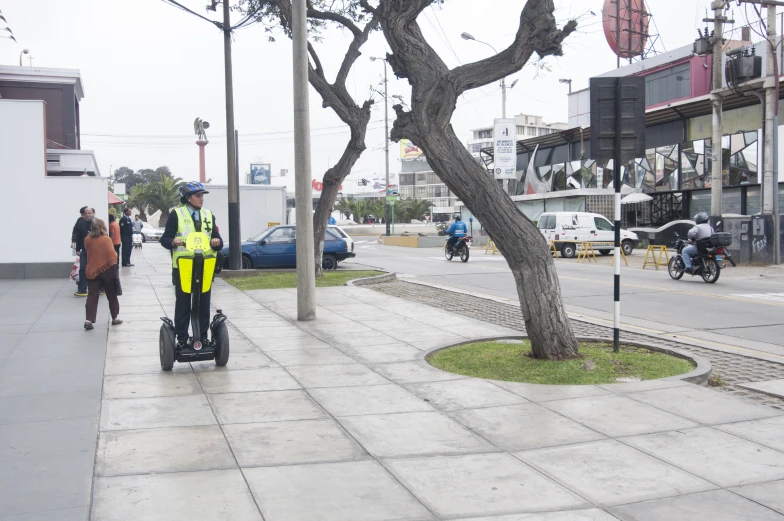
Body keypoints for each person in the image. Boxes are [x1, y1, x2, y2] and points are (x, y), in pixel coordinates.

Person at [160, 181, 223, 348]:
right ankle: (182, 337)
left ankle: (203, 337)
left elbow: (217, 238)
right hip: (183, 266)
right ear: (188, 198)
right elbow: (165, 239)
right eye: (198, 196)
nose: (201, 199)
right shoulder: (176, 214)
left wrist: (217, 241)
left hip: (205, 266)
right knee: (183, 302)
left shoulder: (209, 215)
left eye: (202, 196)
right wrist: (174, 242)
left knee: (204, 302)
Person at [83, 218, 122, 330]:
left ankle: (88, 320)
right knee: (111, 294)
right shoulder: (106, 239)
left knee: (92, 296)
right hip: (108, 270)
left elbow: (88, 252)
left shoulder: (87, 240)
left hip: (92, 270)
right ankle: (114, 318)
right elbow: (113, 255)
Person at [71, 207, 94, 297]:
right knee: (83, 268)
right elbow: (77, 234)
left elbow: (104, 235)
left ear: (93, 213)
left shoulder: (97, 223)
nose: (87, 215)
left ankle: (101, 288)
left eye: (89, 213)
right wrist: (76, 248)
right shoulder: (81, 223)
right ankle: (82, 289)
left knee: (98, 269)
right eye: (86, 213)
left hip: (95, 250)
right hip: (84, 249)